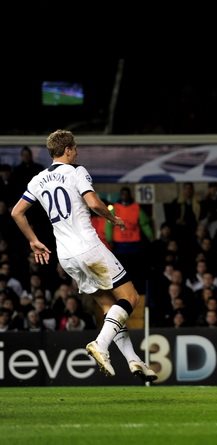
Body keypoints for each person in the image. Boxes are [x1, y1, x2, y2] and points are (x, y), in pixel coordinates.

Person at [10, 129, 157, 382]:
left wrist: (33, 241)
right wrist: (113, 219)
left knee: (109, 308)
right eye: (75, 148)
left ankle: (133, 360)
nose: (77, 152)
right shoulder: (76, 171)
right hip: (89, 248)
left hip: (66, 256)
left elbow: (16, 212)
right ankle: (100, 344)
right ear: (67, 150)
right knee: (130, 297)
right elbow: (94, 203)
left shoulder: (37, 180)